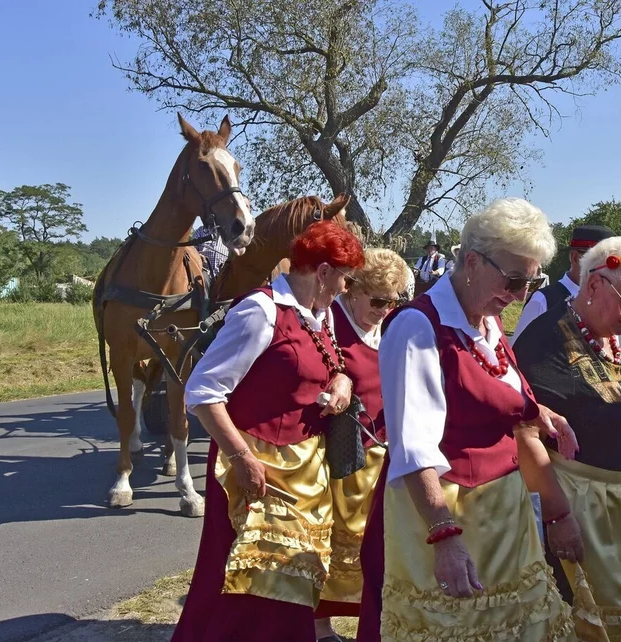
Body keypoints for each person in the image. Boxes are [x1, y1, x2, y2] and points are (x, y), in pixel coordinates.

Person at [358, 198, 578, 641]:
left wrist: (538, 412)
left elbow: (495, 395)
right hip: (445, 513)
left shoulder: (487, 323)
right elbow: (412, 447)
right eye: (513, 280)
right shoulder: (417, 327)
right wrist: (445, 537)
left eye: (531, 282)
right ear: (473, 261)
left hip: (504, 516)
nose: (520, 295)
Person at [171, 221, 365, 642]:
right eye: (346, 278)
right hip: (256, 467)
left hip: (305, 469)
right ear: (324, 272)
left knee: (295, 577)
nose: (346, 289)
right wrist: (241, 458)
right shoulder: (260, 311)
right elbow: (202, 392)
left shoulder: (322, 314)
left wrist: (342, 381)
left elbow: (331, 364)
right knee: (251, 584)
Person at [515, 236, 621, 642]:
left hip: (616, 510)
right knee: (579, 619)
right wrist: (557, 517)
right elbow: (524, 434)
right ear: (594, 284)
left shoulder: (604, 334)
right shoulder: (545, 341)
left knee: (612, 618)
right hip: (580, 510)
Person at [314, 248, 410, 642]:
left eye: (392, 302)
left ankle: (371, 625)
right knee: (332, 543)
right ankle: (319, 627)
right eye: (378, 301)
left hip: (383, 453)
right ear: (352, 289)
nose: (385, 310)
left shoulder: (389, 326)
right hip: (339, 454)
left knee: (377, 548)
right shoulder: (330, 322)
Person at [512, 224, 614, 344]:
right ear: (575, 258)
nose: (606, 270)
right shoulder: (542, 301)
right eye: (599, 262)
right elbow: (517, 350)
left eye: (610, 264)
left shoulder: (607, 301)